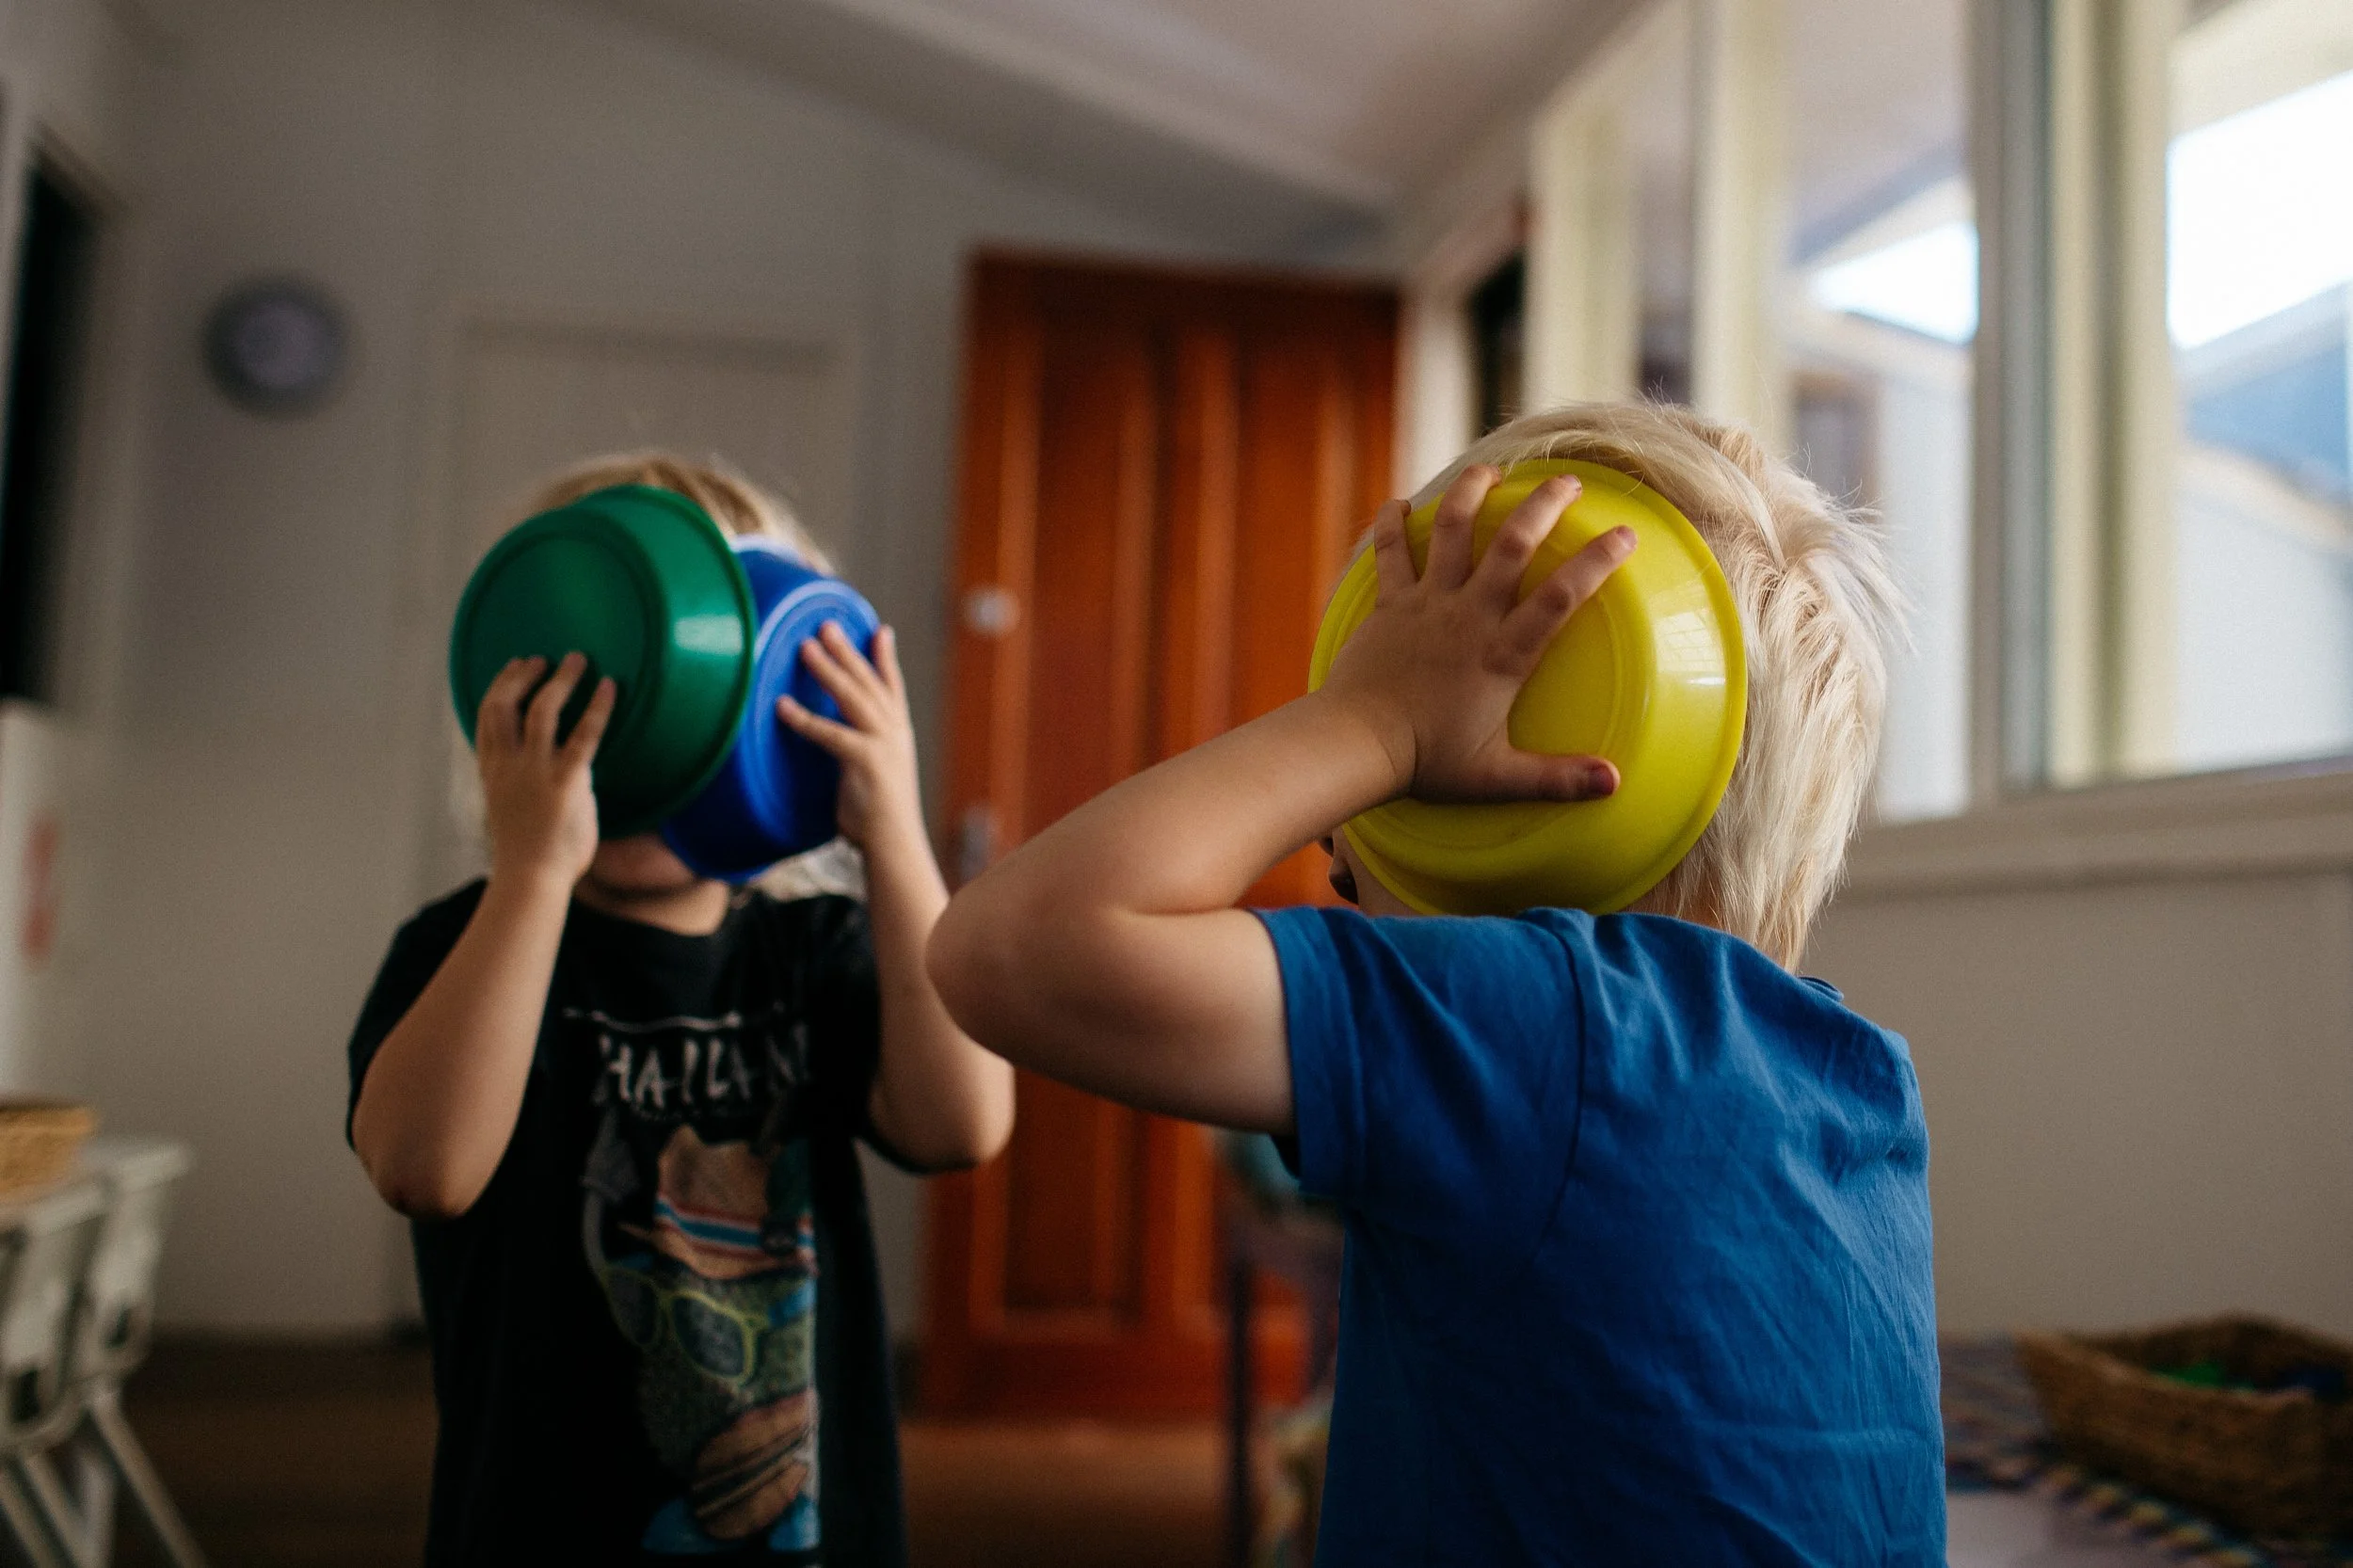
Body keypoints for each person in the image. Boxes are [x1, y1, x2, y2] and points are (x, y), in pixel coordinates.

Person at [928, 402, 1942, 1565]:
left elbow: (1009, 946)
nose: (1337, 838)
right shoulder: (1863, 1077)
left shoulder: (1547, 1023)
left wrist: (1371, 719)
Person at [348, 455, 1013, 1566]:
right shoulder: (468, 949)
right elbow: (424, 1165)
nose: (656, 753)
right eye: (600, 697)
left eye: (707, 699)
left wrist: (892, 834)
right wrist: (530, 878)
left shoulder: (814, 952)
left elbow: (962, 1125)